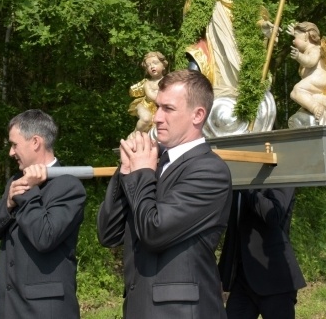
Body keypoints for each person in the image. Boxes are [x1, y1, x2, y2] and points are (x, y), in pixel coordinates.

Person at [97, 69, 233, 318]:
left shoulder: (209, 170)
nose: (156, 117)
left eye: (168, 109)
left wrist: (140, 174)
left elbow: (154, 231)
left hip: (181, 312)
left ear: (198, 115)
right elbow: (109, 233)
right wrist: (125, 172)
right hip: (139, 307)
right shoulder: (151, 163)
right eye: (157, 107)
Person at [0, 109, 86, 319]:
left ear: (35, 142)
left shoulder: (69, 187)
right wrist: (8, 204)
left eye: (14, 144)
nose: (11, 152)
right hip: (7, 307)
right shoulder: (15, 181)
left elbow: (44, 237)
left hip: (44, 312)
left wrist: (28, 190)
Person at [218, 188, 306, 319]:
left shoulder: (280, 177)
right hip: (243, 280)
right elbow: (233, 232)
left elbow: (273, 215)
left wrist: (248, 187)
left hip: (275, 281)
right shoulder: (237, 185)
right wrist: (220, 276)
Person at [287, 21, 326, 124]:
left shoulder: (315, 48)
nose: (293, 41)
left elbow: (310, 62)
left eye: (295, 37)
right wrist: (296, 34)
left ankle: (316, 108)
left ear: (306, 36)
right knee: (312, 96)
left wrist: (299, 56)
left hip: (319, 78)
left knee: (296, 91)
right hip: (316, 82)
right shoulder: (308, 48)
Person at [128, 51, 169, 133]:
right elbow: (152, 96)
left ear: (163, 65)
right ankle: (135, 134)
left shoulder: (169, 81)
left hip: (158, 108)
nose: (152, 66)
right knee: (146, 118)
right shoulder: (147, 83)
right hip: (145, 106)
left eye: (155, 63)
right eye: (148, 65)